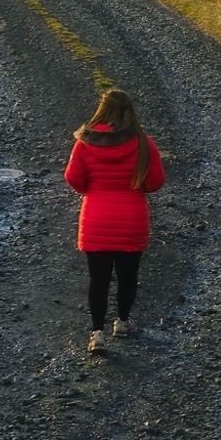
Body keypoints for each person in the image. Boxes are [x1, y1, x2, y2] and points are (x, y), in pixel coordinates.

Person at [63, 86, 166, 358]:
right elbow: (155, 181)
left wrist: (91, 188)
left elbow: (73, 177)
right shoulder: (144, 142)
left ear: (102, 109)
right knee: (127, 275)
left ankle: (96, 333)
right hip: (131, 217)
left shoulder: (85, 141)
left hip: (96, 217)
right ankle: (122, 321)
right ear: (129, 111)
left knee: (98, 279)